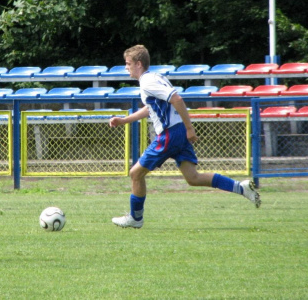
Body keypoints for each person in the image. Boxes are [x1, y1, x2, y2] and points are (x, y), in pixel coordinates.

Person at [109, 45, 260, 229]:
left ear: (138, 64)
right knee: (193, 178)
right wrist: (125, 120)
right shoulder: (155, 77)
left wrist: (190, 128)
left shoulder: (147, 82)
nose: (126, 68)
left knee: (135, 173)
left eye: (128, 64)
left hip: (170, 134)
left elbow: (177, 99)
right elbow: (150, 108)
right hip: (177, 131)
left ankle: (135, 218)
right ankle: (241, 188)